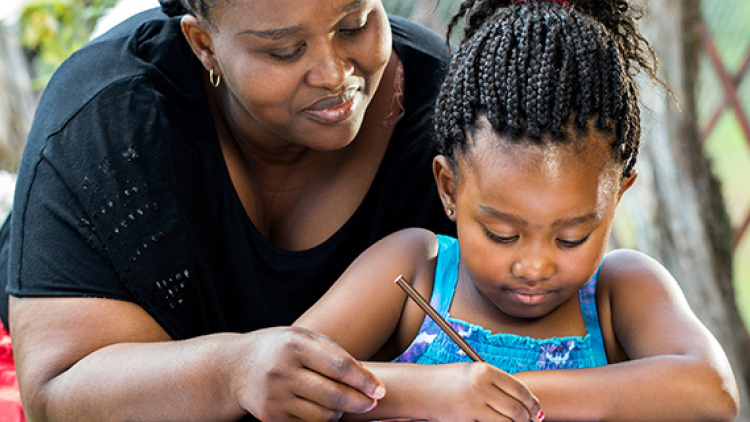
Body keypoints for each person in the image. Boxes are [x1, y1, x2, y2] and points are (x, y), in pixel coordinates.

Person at [0, 0, 458, 420]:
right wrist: (231, 373)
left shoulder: (443, 112)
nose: (334, 74)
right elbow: (55, 391)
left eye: (355, 25)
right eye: (284, 51)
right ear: (204, 45)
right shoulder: (108, 126)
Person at [294, 0, 741, 420]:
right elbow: (291, 375)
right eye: (502, 234)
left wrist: (513, 394)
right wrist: (442, 391)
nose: (534, 265)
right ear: (449, 189)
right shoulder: (417, 271)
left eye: (571, 239)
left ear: (618, 196)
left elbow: (712, 391)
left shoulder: (617, 293)